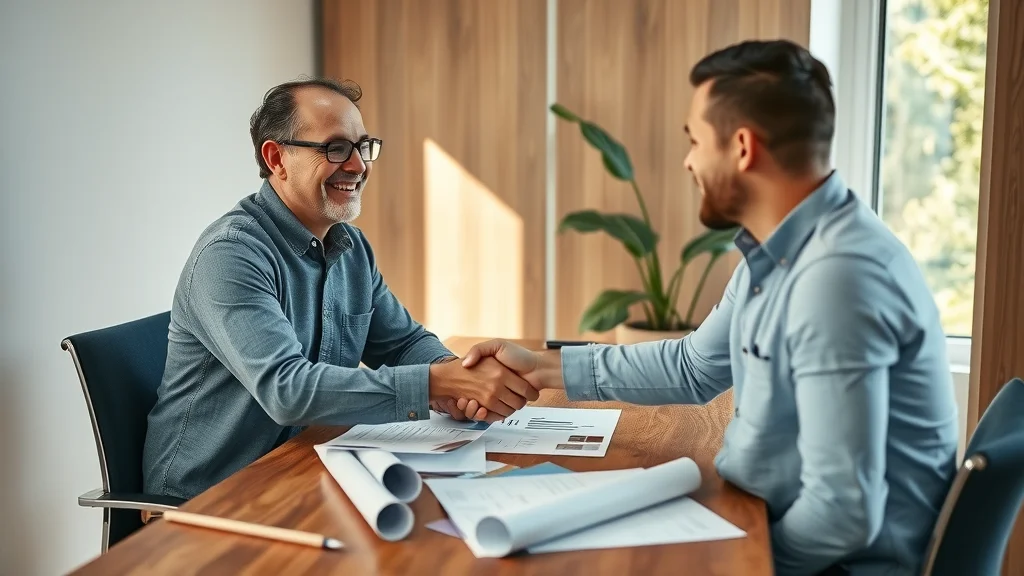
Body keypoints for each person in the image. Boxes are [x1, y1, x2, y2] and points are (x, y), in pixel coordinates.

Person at [459, 40, 958, 576]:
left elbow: (843, 513)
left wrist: (726, 564)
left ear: (742, 148)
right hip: (764, 520)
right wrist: (540, 365)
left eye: (695, 140)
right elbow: (692, 366)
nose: (688, 160)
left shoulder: (837, 279)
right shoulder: (782, 251)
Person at [142, 78, 537, 500]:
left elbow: (402, 342)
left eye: (362, 147)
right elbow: (287, 391)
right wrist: (440, 383)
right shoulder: (231, 254)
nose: (358, 166)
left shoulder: (351, 246)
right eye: (335, 149)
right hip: (209, 499)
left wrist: (458, 377)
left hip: (305, 468)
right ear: (277, 158)